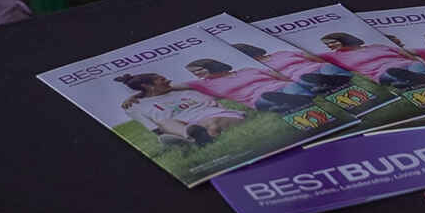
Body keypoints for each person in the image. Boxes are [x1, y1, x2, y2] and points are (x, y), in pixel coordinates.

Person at [114, 72, 245, 149]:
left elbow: (214, 105)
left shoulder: (186, 92)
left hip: (212, 116)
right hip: (185, 125)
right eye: (162, 79)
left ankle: (191, 141)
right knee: (166, 122)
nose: (168, 80)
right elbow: (156, 129)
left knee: (213, 123)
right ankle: (191, 136)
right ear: (147, 86)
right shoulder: (135, 107)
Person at [181, 56, 317, 115]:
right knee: (266, 98)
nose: (196, 74)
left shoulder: (247, 70)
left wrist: (291, 82)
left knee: (290, 88)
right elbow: (174, 86)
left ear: (210, 66)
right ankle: (295, 100)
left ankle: (300, 97)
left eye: (198, 70)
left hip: (279, 86)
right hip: (258, 98)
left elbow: (279, 77)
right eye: (193, 73)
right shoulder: (205, 84)